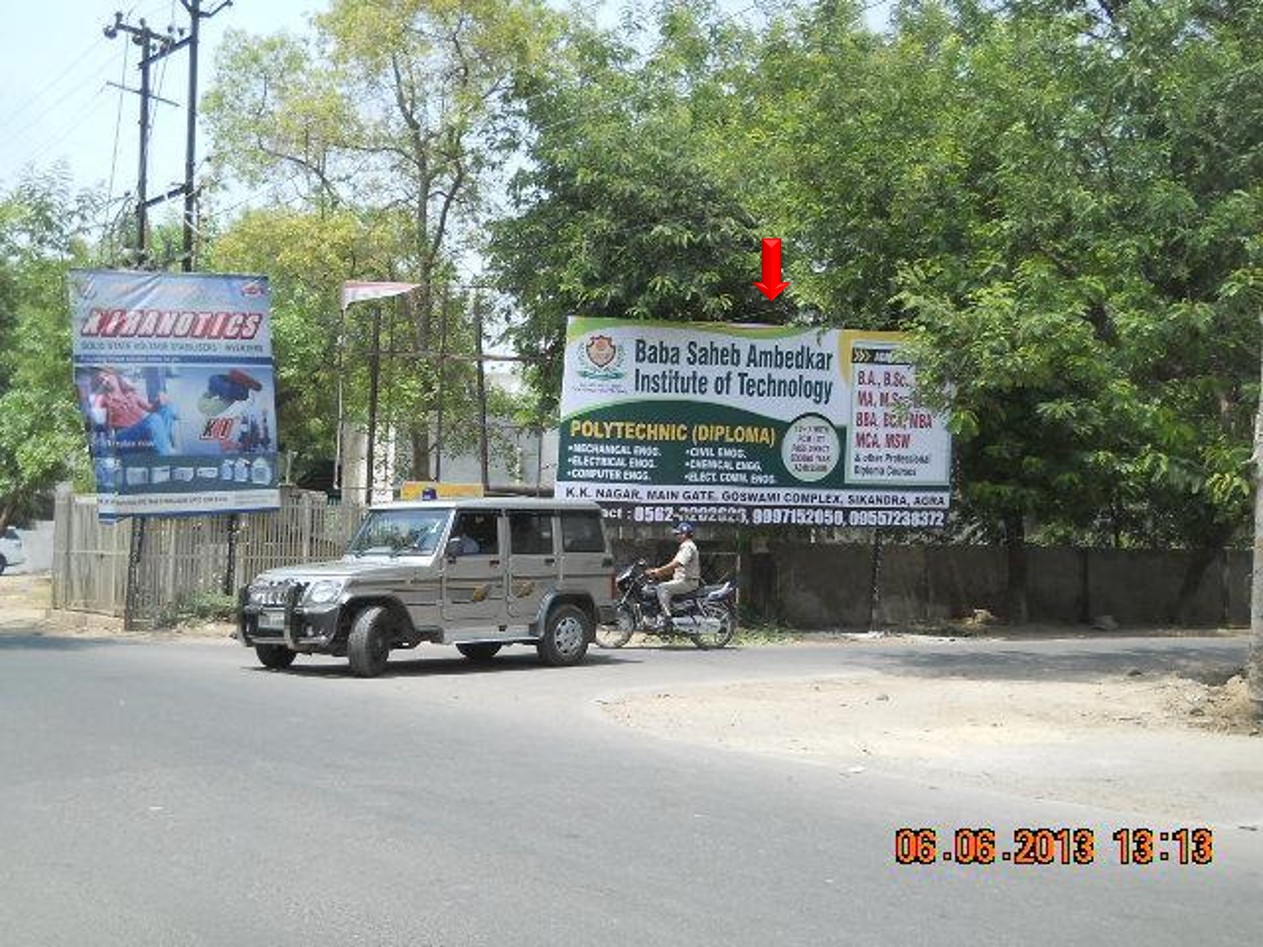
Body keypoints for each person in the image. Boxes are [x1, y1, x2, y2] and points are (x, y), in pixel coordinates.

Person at [89, 367, 178, 455]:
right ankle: (166, 455)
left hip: (141, 430)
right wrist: (100, 393)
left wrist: (159, 402)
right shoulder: (104, 400)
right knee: (154, 420)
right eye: (101, 380)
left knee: (167, 409)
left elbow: (152, 408)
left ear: (115, 377)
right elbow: (97, 420)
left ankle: (162, 445)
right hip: (123, 436)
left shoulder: (131, 395)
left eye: (106, 376)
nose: (105, 380)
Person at [648, 521, 701, 626]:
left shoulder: (687, 546)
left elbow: (677, 563)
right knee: (658, 587)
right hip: (683, 580)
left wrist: (659, 571)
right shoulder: (686, 546)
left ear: (684, 534)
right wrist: (659, 572)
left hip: (687, 582)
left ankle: (667, 618)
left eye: (678, 534)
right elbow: (676, 567)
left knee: (662, 588)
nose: (676, 536)